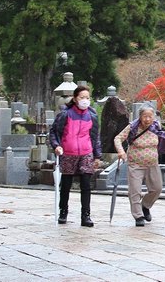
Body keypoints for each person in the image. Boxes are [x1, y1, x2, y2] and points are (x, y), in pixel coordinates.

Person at [114, 105, 165, 226]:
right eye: (145, 116)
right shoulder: (133, 127)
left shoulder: (156, 126)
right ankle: (138, 215)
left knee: (157, 188)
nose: (147, 119)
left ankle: (145, 205)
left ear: (154, 117)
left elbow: (163, 138)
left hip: (152, 163)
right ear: (140, 116)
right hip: (135, 164)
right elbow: (117, 138)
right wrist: (121, 151)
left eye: (150, 116)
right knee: (135, 190)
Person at [49, 85, 102, 227]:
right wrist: (56, 145)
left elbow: (95, 136)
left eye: (87, 97)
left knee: (86, 184)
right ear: (75, 98)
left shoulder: (92, 115)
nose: (85, 100)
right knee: (66, 184)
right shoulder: (65, 114)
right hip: (68, 152)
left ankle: (86, 215)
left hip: (86, 152)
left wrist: (97, 155)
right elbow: (54, 131)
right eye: (82, 97)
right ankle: (63, 212)